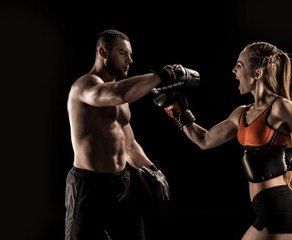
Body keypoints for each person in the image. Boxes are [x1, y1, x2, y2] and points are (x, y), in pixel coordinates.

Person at [154, 42, 292, 240]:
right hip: (277, 211)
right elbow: (204, 140)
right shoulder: (241, 114)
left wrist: (287, 159)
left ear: (257, 73)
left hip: (282, 212)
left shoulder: (282, 108)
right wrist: (177, 111)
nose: (234, 71)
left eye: (239, 66)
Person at [65, 29, 199, 240]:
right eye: (123, 54)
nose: (130, 60)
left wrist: (151, 168)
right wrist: (163, 74)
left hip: (121, 185)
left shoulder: (121, 92)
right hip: (89, 187)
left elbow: (129, 143)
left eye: (130, 54)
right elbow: (117, 93)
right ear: (103, 52)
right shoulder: (85, 86)